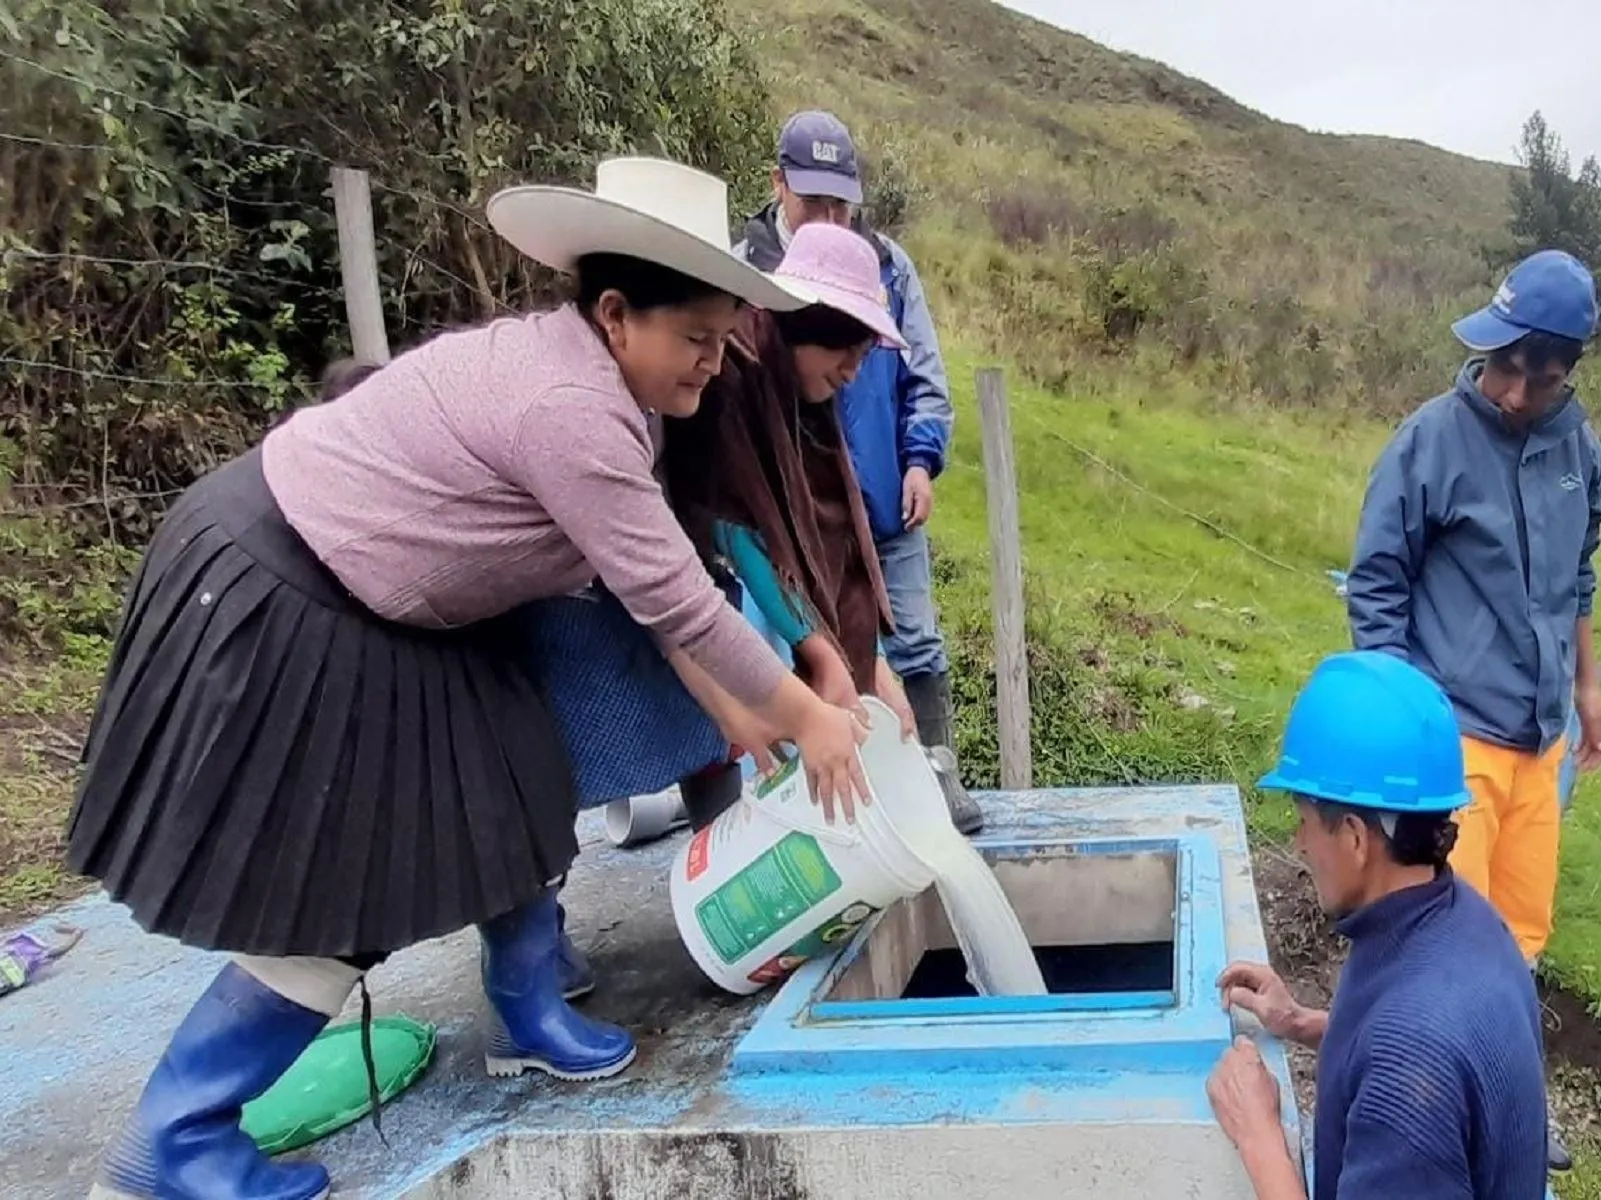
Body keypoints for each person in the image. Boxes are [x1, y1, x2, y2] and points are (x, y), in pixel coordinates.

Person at [66, 156, 874, 1200]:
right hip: (296, 595)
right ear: (618, 312)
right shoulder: (572, 411)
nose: (712, 366)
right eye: (696, 340)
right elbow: (679, 601)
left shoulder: (590, 377)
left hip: (370, 593)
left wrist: (757, 710)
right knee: (334, 887)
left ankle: (530, 1008)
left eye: (724, 344)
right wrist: (808, 717)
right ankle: (168, 1146)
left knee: (508, 782)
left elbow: (663, 595)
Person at [1345, 249, 1601, 1170]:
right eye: (1495, 362)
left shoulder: (1581, 451)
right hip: (1452, 735)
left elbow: (1579, 578)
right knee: (1442, 943)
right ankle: (1423, 1115)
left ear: (1561, 371)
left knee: (1520, 937)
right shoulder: (1429, 440)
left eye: (1521, 371)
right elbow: (1377, 581)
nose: (1501, 384)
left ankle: (1512, 1107)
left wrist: (1588, 689)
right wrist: (1393, 723)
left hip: (1544, 742)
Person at [1206, 651, 1548, 1200]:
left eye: (1303, 822)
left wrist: (1258, 1134)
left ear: (1356, 839)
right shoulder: (1469, 921)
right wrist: (1300, 1021)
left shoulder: (1409, 1068)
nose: (1298, 844)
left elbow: (1412, 1067)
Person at [735, 110, 982, 834]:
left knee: (903, 644)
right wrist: (832, 657)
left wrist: (919, 458)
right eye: (814, 202)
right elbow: (739, 534)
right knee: (775, 662)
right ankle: (795, 818)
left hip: (874, 502)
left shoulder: (886, 263)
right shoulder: (744, 285)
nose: (832, 219)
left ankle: (926, 783)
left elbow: (924, 373)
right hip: (773, 522)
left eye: (843, 203)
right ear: (778, 184)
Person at [660, 221, 924, 830]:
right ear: (809, 327)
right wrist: (821, 653)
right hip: (678, 584)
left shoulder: (807, 407)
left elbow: (838, 547)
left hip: (759, 600)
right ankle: (727, 844)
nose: (852, 373)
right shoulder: (731, 375)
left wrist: (871, 661)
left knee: (778, 724)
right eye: (845, 354)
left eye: (862, 358)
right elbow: (733, 523)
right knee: (723, 730)